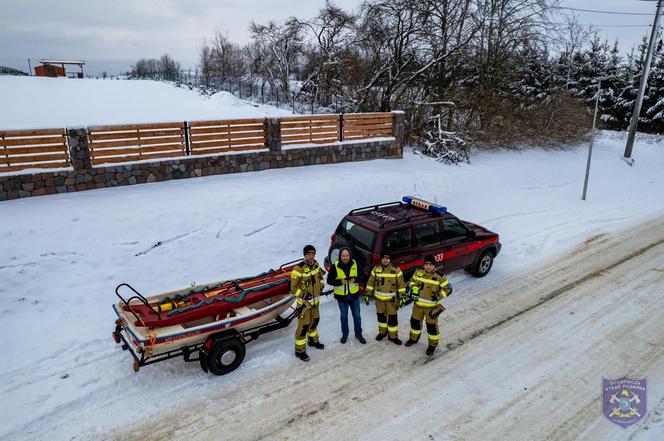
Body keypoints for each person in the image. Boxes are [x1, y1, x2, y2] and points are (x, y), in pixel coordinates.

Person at [405, 254, 453, 356]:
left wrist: (439, 296)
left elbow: (449, 289)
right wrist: (413, 289)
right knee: (415, 324)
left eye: (430, 265)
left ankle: (432, 346)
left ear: (434, 266)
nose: (428, 267)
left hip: (431, 308)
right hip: (417, 306)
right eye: (426, 264)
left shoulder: (440, 277)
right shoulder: (418, 272)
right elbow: (412, 281)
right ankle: (413, 339)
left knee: (431, 327)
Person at [290, 244, 326, 362]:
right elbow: (293, 288)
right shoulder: (298, 268)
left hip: (315, 303)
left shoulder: (316, 264)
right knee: (303, 327)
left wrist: (321, 286)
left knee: (314, 322)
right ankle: (299, 351)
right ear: (305, 255)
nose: (311, 256)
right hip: (304, 305)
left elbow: (320, 277)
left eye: (313, 254)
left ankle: (313, 341)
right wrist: (304, 295)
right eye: (309, 254)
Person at [364, 253, 407, 344]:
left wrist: (402, 297)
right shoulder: (376, 269)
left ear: (390, 260)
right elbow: (370, 282)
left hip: (391, 302)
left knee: (392, 319)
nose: (385, 260)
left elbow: (401, 285)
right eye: (383, 258)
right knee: (381, 319)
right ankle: (382, 333)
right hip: (379, 301)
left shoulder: (396, 270)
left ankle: (393, 337)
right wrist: (367, 294)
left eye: (387, 259)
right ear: (381, 260)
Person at [327, 247, 366, 344]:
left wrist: (354, 280)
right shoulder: (335, 266)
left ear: (350, 256)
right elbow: (329, 280)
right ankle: (345, 335)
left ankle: (359, 334)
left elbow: (363, 277)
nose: (345, 258)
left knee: (357, 316)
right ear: (340, 256)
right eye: (343, 256)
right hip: (342, 297)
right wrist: (340, 282)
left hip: (354, 296)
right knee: (343, 317)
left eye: (347, 255)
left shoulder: (355, 264)